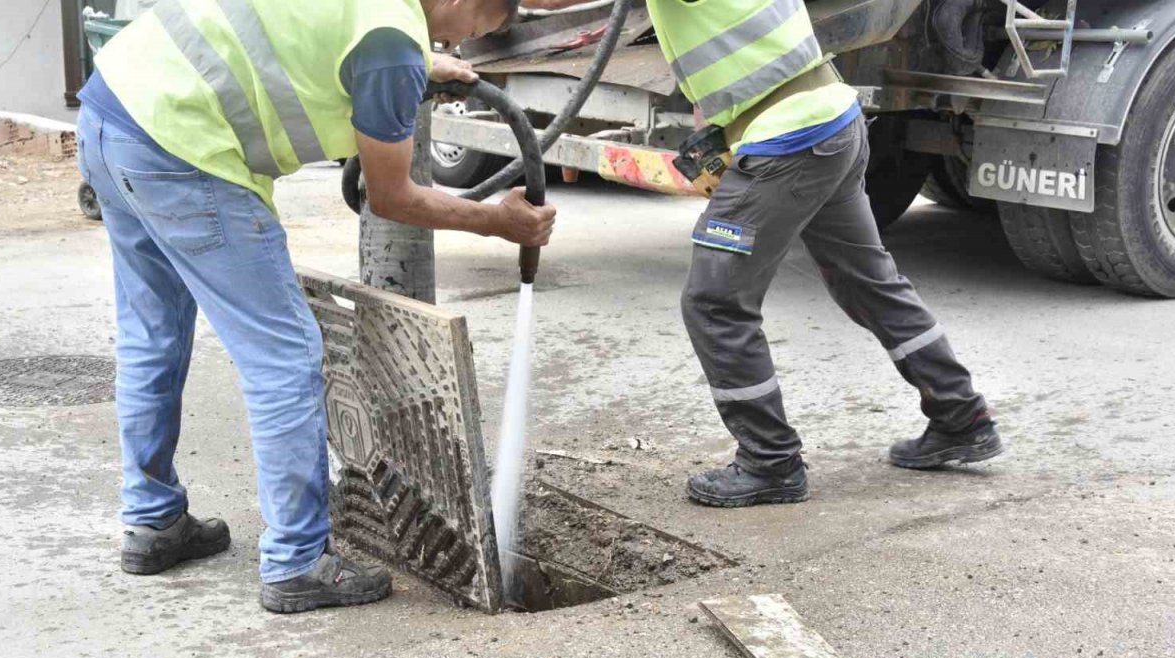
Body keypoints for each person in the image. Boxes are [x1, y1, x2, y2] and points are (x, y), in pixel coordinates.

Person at [77, 0, 555, 613]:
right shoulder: (389, 45)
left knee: (154, 335)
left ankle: (152, 522)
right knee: (285, 356)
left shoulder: (380, 24)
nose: (462, 43)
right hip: (182, 149)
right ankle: (297, 561)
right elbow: (391, 196)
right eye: (474, 30)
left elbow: (320, 37)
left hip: (111, 113)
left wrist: (417, 63)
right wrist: (497, 222)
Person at [524, 0, 1001, 506]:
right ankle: (961, 416)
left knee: (714, 302)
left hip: (789, 140)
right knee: (869, 282)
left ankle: (770, 462)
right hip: (830, 120)